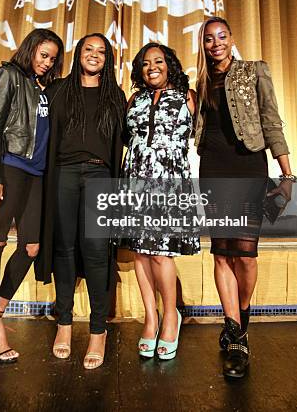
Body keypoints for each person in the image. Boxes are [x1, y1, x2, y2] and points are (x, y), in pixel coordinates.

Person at [195, 16, 295, 379]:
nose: (216, 43)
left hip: (250, 167)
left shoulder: (254, 71)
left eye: (222, 36)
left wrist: (286, 175)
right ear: (203, 44)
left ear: (231, 39)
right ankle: (236, 332)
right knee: (222, 253)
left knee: (247, 255)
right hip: (214, 169)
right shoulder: (202, 82)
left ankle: (243, 309)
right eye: (209, 38)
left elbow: (272, 122)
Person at [35, 33, 126, 370]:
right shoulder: (58, 90)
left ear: (108, 59)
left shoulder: (115, 96)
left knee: (96, 251)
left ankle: (98, 331)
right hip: (64, 173)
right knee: (64, 249)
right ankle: (64, 324)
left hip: (99, 176)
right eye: (89, 49)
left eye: (101, 52)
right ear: (78, 54)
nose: (94, 55)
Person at [0, 29, 64, 363]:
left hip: (37, 174)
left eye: (53, 58)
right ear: (29, 49)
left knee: (30, 247)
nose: (47, 62)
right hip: (10, 167)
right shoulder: (10, 75)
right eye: (43, 55)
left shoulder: (47, 88)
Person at [122, 43, 199, 360]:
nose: (152, 66)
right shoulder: (134, 100)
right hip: (136, 181)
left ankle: (171, 316)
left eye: (159, 61)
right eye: (145, 63)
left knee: (161, 255)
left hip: (169, 184)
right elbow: (129, 140)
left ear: (170, 65)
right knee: (141, 253)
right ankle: (150, 318)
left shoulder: (188, 97)